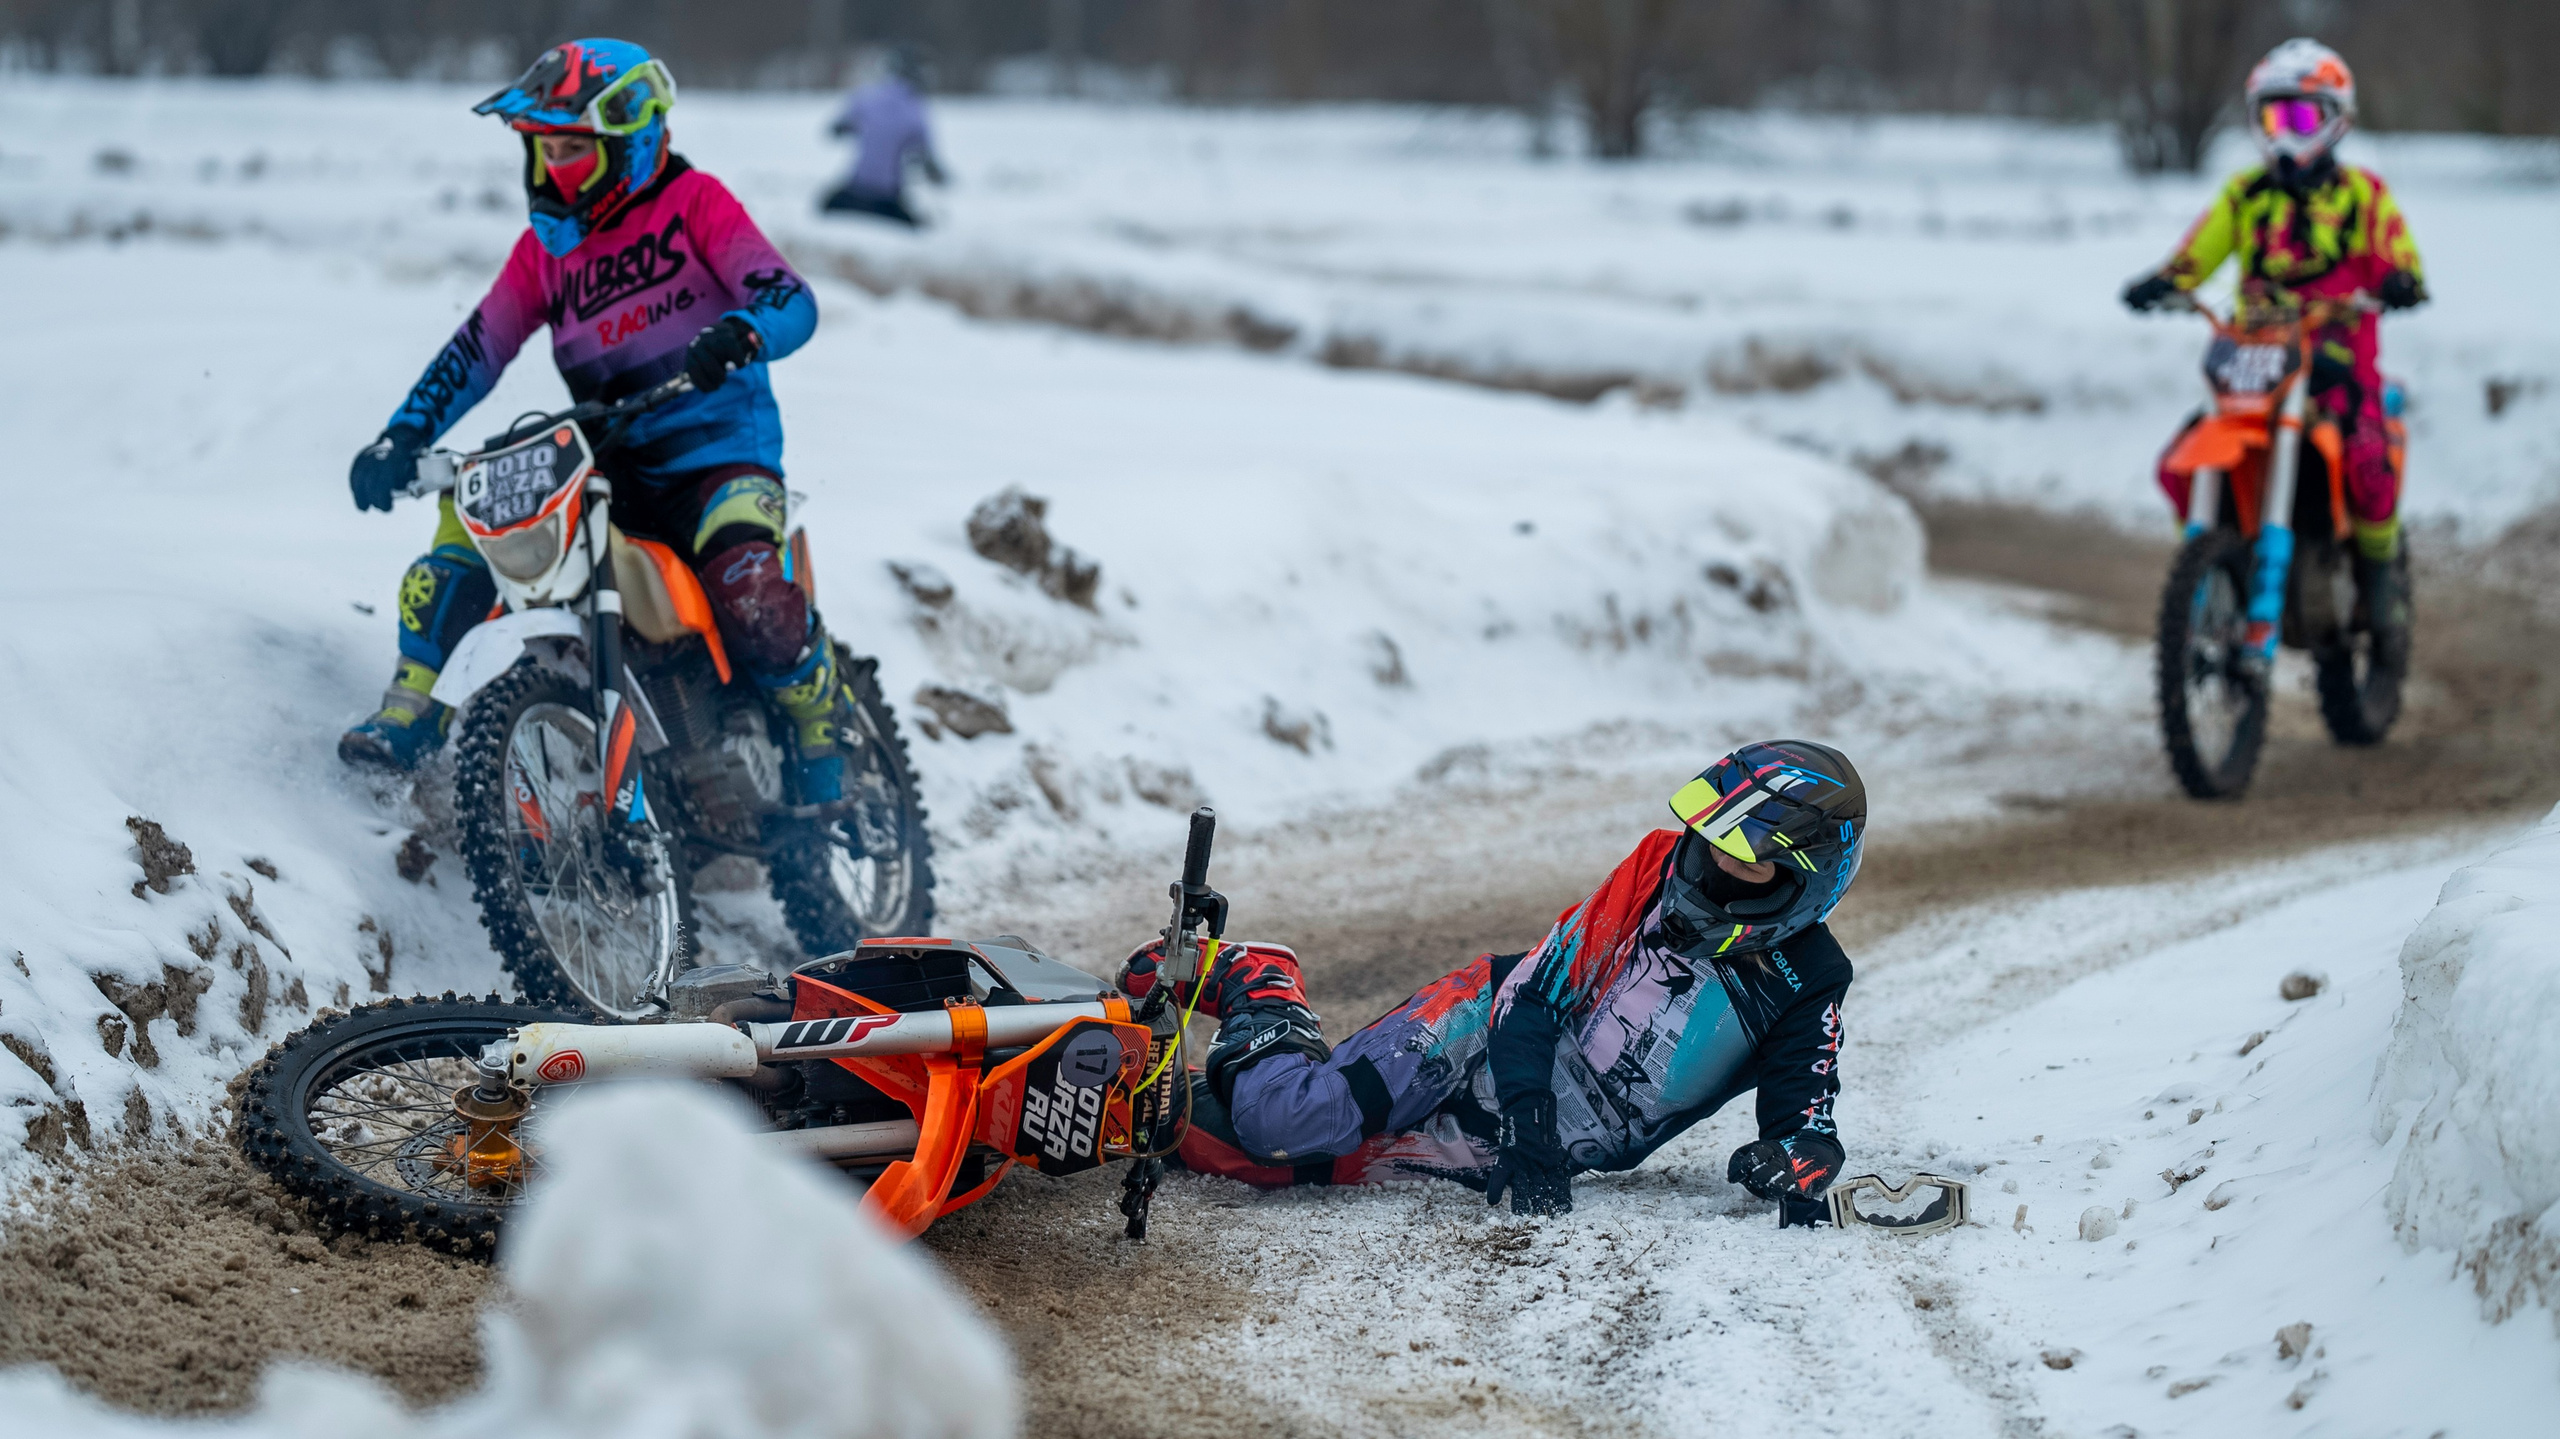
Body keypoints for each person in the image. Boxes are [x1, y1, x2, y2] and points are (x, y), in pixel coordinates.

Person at [339, 41, 868, 804]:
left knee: (748, 591)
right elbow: (480, 345)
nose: (556, 172)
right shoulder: (545, 255)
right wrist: (405, 433)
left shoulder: (696, 204)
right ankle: (412, 707)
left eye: (575, 154)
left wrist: (745, 331)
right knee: (478, 501)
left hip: (721, 459)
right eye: (544, 152)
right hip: (612, 459)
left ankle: (827, 716)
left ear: (632, 143)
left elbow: (792, 298)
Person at [1124, 740, 1866, 1223]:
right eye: (1712, 845)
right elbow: (1539, 994)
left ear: (1805, 878)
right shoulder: (1658, 864)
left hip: (1521, 1131)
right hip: (1487, 1025)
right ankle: (1260, 978)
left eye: (1745, 859)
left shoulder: (1811, 976)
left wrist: (1796, 1165)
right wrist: (1532, 1125)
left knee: (1239, 1150)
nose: (1712, 866)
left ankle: (1120, 1079)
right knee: (1291, 1118)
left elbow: (1809, 1118)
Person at [2121, 38, 2426, 649]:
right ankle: (2211, 578)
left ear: (2338, 119)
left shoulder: (2363, 195)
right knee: (2181, 457)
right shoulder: (2245, 196)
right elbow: (2197, 255)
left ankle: (2380, 586)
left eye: (2301, 117)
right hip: (2254, 358)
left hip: (2340, 359)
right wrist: (2165, 281)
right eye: (2271, 116)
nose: (2285, 133)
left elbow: (2400, 253)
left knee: (2368, 460)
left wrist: (2399, 279)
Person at [820, 48, 947, 227]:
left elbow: (835, 130)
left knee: (823, 207)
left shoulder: (865, 97)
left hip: (853, 192)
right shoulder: (916, 111)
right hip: (887, 200)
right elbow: (929, 162)